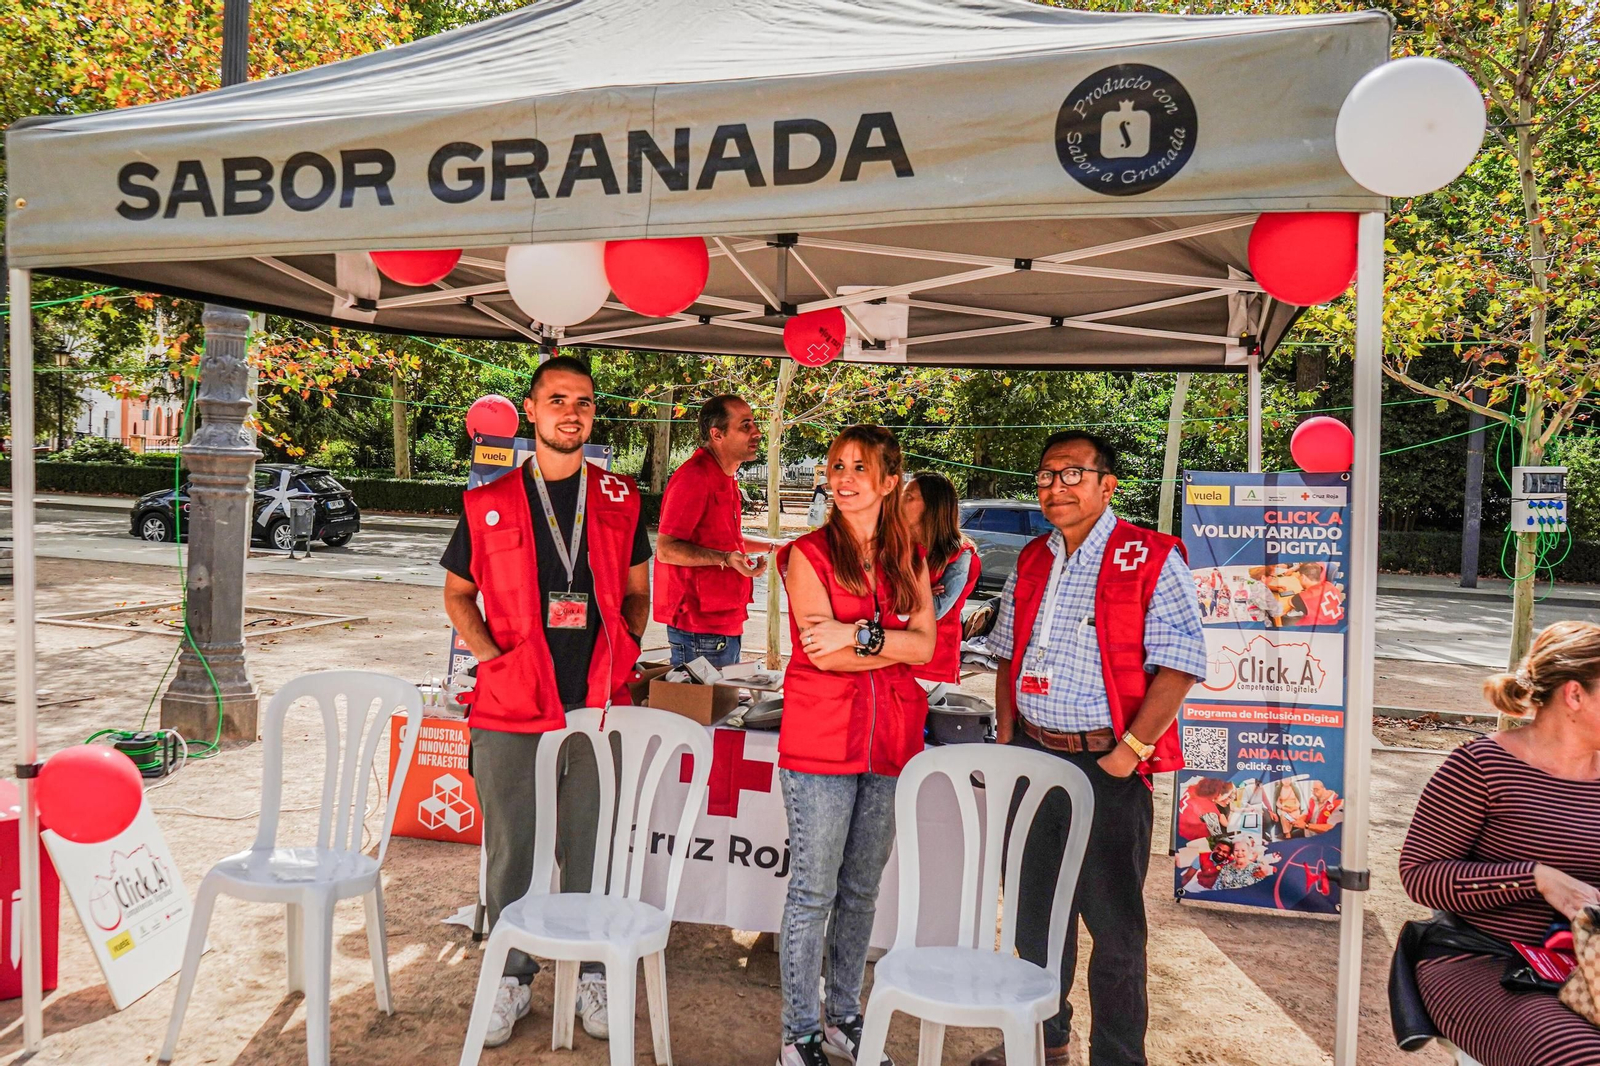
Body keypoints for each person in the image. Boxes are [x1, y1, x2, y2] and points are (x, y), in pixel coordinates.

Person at [973, 430, 1206, 1066]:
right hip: (1031, 757)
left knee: (1115, 926)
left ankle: (1118, 1056)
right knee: (1033, 915)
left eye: (1073, 474)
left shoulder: (1150, 556)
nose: (1056, 487)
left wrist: (1127, 753)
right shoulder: (1033, 558)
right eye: (1047, 475)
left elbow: (1181, 665)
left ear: (1108, 484)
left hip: (1107, 764)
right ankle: (1045, 1039)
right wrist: (1005, 734)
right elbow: (1005, 654)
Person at [439, 355, 652, 1049]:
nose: (572, 412)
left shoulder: (622, 498)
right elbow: (457, 594)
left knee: (591, 849)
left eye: (584, 402)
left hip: (596, 704)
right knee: (514, 853)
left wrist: (624, 638)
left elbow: (640, 589)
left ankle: (594, 970)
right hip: (510, 705)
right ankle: (511, 978)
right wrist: (495, 657)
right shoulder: (488, 499)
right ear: (530, 410)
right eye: (557, 399)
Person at [774, 425, 935, 1066]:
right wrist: (887, 647)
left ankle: (845, 1016)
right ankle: (799, 1031)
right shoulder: (806, 554)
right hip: (820, 743)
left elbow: (926, 648)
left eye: (859, 467)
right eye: (836, 465)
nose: (842, 478)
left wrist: (860, 637)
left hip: (891, 742)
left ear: (889, 480)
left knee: (861, 893)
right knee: (812, 893)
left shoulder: (910, 557)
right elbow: (822, 654)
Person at [1398, 620, 1600, 1066]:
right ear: (1575, 694)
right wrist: (1536, 878)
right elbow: (1419, 876)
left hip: (1589, 969)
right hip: (1481, 960)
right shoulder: (1480, 766)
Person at [654, 394, 770, 668]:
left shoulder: (725, 476)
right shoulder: (695, 477)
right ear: (717, 434)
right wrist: (726, 558)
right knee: (698, 710)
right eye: (745, 426)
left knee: (721, 708)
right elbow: (667, 549)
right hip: (699, 627)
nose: (757, 433)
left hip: (724, 619)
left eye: (753, 424)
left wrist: (774, 546)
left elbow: (726, 541)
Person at [901, 471, 981, 687]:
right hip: (890, 656)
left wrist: (903, 592)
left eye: (909, 497)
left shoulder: (960, 555)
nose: (899, 500)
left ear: (932, 507)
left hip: (930, 666)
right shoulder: (897, 545)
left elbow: (934, 611)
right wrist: (923, 591)